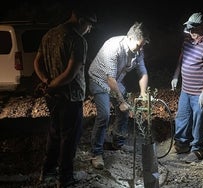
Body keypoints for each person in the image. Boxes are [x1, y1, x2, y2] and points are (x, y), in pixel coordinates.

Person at [33, 3, 97, 187]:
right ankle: (66, 178)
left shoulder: (49, 34)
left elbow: (36, 62)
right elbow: (70, 73)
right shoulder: (77, 40)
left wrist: (46, 82)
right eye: (90, 25)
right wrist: (52, 85)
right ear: (81, 20)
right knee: (69, 138)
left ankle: (48, 171)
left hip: (52, 97)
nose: (90, 29)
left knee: (54, 133)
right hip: (71, 97)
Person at [88, 21, 150, 169]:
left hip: (115, 80)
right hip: (99, 79)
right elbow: (110, 79)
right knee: (104, 115)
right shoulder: (113, 46)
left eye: (143, 46)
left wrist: (143, 94)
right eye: (138, 45)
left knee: (126, 109)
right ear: (129, 38)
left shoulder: (138, 50)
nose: (140, 49)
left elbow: (142, 72)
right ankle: (96, 153)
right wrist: (121, 100)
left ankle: (118, 142)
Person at [171, 12, 203, 163]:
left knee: (200, 120)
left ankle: (197, 149)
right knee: (182, 117)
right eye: (189, 28)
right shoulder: (187, 39)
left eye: (194, 29)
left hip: (201, 91)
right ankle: (181, 143)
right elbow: (182, 58)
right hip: (186, 89)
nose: (190, 32)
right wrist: (176, 75)